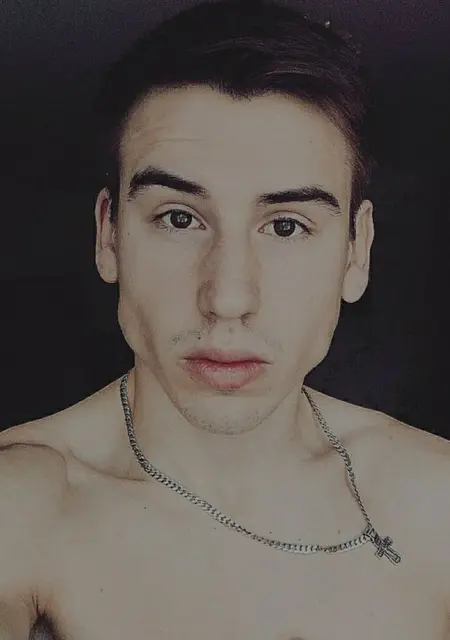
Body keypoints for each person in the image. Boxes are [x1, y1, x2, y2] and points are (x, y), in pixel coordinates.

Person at [1, 1, 449, 638]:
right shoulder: (22, 505)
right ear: (109, 236)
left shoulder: (437, 501)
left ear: (358, 254)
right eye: (179, 219)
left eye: (286, 227)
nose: (229, 297)